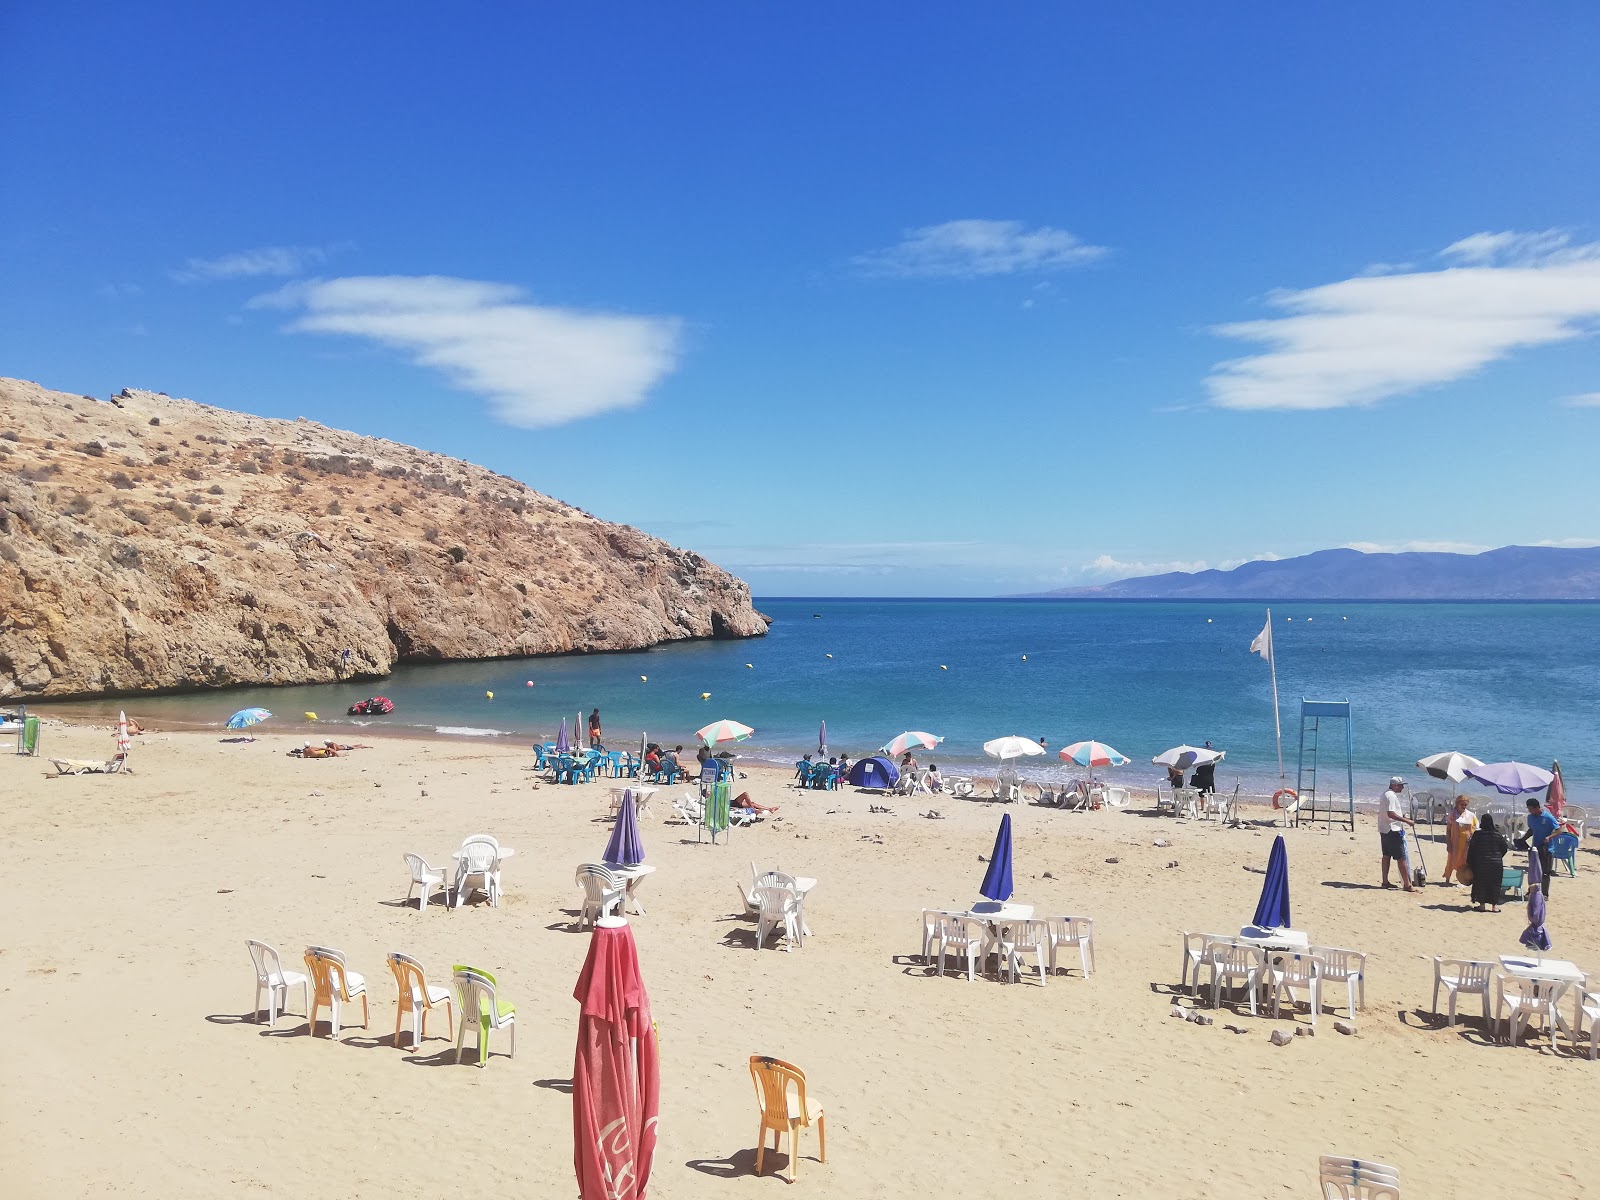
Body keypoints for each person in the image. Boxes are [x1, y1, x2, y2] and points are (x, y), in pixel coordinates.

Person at [1378, 776, 1417, 892]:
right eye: (1401, 785)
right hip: (1392, 830)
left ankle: (1385, 882)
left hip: (1384, 828)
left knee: (1386, 855)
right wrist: (1406, 821)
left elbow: (1390, 812)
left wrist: (1402, 816)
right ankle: (1407, 885)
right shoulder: (1391, 796)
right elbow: (1390, 814)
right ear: (1395, 785)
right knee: (1401, 857)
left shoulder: (1385, 794)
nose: (1403, 787)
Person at [1467, 814, 1510, 912]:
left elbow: (1472, 849)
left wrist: (1470, 862)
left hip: (1481, 863)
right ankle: (1494, 907)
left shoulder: (1478, 835)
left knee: (1481, 883)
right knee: (1495, 884)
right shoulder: (1497, 834)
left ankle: (1482, 905)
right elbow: (1504, 848)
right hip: (1496, 864)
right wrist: (1498, 856)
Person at [1519, 795, 1559, 898]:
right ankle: (1531, 891)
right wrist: (1522, 839)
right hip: (1535, 848)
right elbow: (1531, 830)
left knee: (1545, 872)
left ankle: (1545, 894)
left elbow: (1559, 830)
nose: (1529, 810)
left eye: (1530, 808)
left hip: (1547, 848)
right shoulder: (1530, 817)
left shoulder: (1548, 817)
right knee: (1533, 870)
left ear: (1536, 807)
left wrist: (1549, 837)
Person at [1441, 794, 1476, 885]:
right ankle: (1447, 879)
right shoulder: (1452, 815)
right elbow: (1448, 830)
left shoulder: (1470, 815)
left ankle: (1464, 879)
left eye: (1465, 805)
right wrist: (1448, 843)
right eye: (1462, 805)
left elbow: (1475, 828)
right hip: (1454, 843)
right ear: (1457, 804)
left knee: (1465, 862)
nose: (1464, 807)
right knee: (1451, 861)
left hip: (1466, 844)